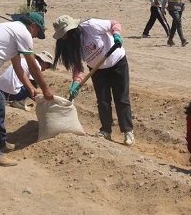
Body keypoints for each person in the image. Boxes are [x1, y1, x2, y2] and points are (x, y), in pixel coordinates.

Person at [0, 12, 54, 165]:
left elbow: (18, 68)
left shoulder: (13, 33)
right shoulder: (23, 33)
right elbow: (33, 66)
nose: (34, 38)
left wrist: (30, 88)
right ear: (32, 26)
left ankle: (0, 142)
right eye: (37, 33)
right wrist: (46, 89)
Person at [53, 14, 135, 146]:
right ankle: (106, 130)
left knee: (121, 98)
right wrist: (75, 85)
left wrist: (116, 35)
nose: (63, 37)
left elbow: (114, 24)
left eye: (64, 33)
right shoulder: (72, 44)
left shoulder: (91, 26)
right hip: (97, 70)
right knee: (103, 100)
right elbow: (78, 68)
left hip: (118, 63)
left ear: (71, 29)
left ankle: (128, 131)